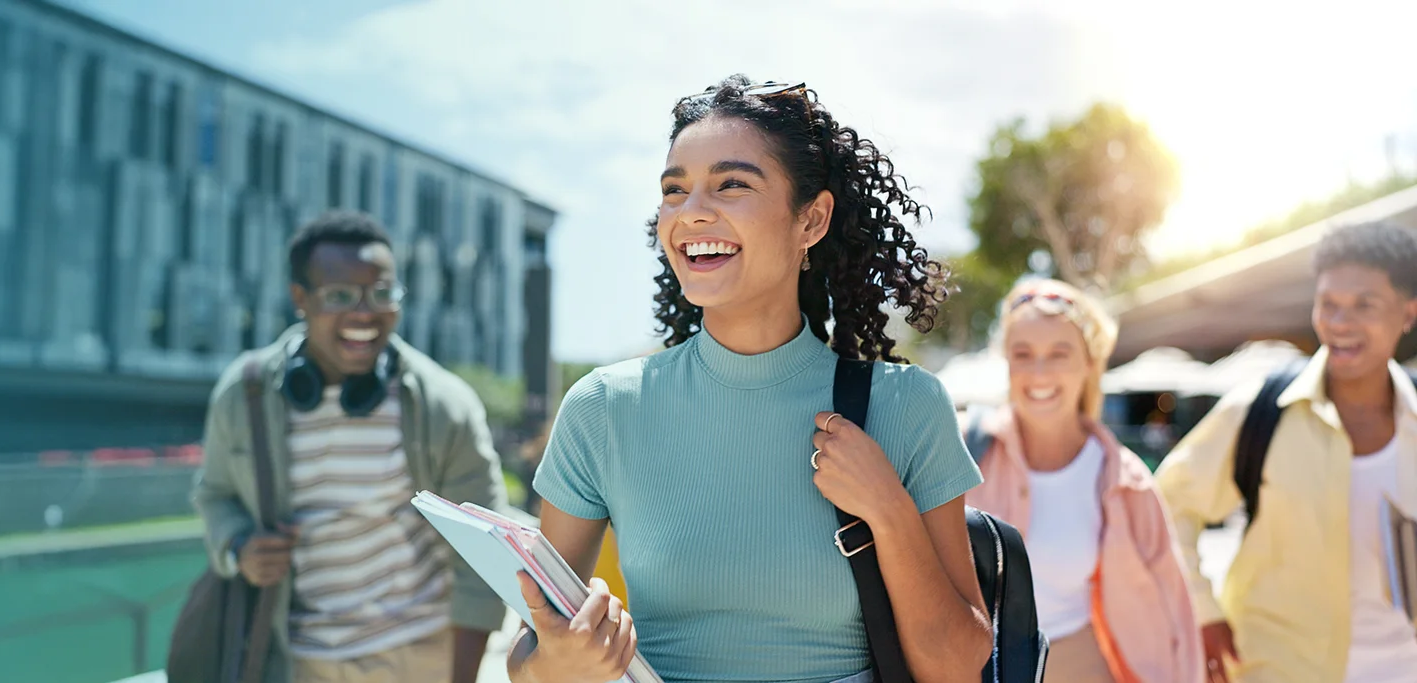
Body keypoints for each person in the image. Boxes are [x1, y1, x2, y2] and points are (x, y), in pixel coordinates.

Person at [509, 75, 991, 683]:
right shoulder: (604, 407)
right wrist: (558, 665)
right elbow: (527, 660)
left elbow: (955, 667)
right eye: (674, 190)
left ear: (811, 220)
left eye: (732, 183)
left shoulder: (906, 405)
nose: (691, 212)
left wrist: (888, 511)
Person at [190, 211, 508, 683]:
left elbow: (484, 557)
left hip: (418, 657)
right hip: (294, 660)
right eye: (340, 296)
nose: (365, 312)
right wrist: (239, 547)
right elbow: (214, 494)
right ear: (301, 298)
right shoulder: (244, 394)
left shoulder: (447, 405)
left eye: (381, 293)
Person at [1157, 221, 1417, 682]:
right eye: (1328, 305)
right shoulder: (1259, 410)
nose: (1339, 324)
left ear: (1408, 312)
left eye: (1364, 305)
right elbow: (1165, 504)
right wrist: (1201, 609)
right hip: (1276, 668)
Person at [963, 279, 1204, 682]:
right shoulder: (963, 455)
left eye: (1059, 353)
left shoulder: (1125, 481)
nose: (1040, 372)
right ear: (1007, 361)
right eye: (1024, 354)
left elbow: (1174, 607)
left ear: (1089, 362)